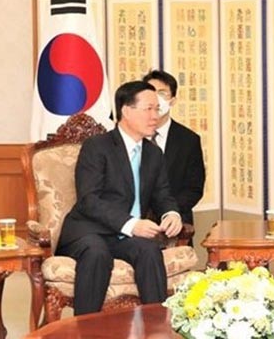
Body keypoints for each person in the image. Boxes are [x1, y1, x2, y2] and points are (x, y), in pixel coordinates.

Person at [56, 81, 183, 315]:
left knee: (149, 251)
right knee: (97, 253)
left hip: (124, 237)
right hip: (90, 230)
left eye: (158, 109)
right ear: (126, 110)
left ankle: (156, 326)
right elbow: (89, 199)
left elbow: (163, 194)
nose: (156, 116)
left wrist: (171, 213)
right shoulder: (97, 147)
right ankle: (87, 329)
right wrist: (132, 224)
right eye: (149, 109)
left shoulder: (153, 153)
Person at [142, 70, 205, 228]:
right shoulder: (131, 135)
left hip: (175, 222)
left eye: (162, 93)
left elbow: (194, 188)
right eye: (150, 92)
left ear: (173, 100)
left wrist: (168, 212)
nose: (156, 99)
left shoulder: (188, 140)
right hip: (134, 222)